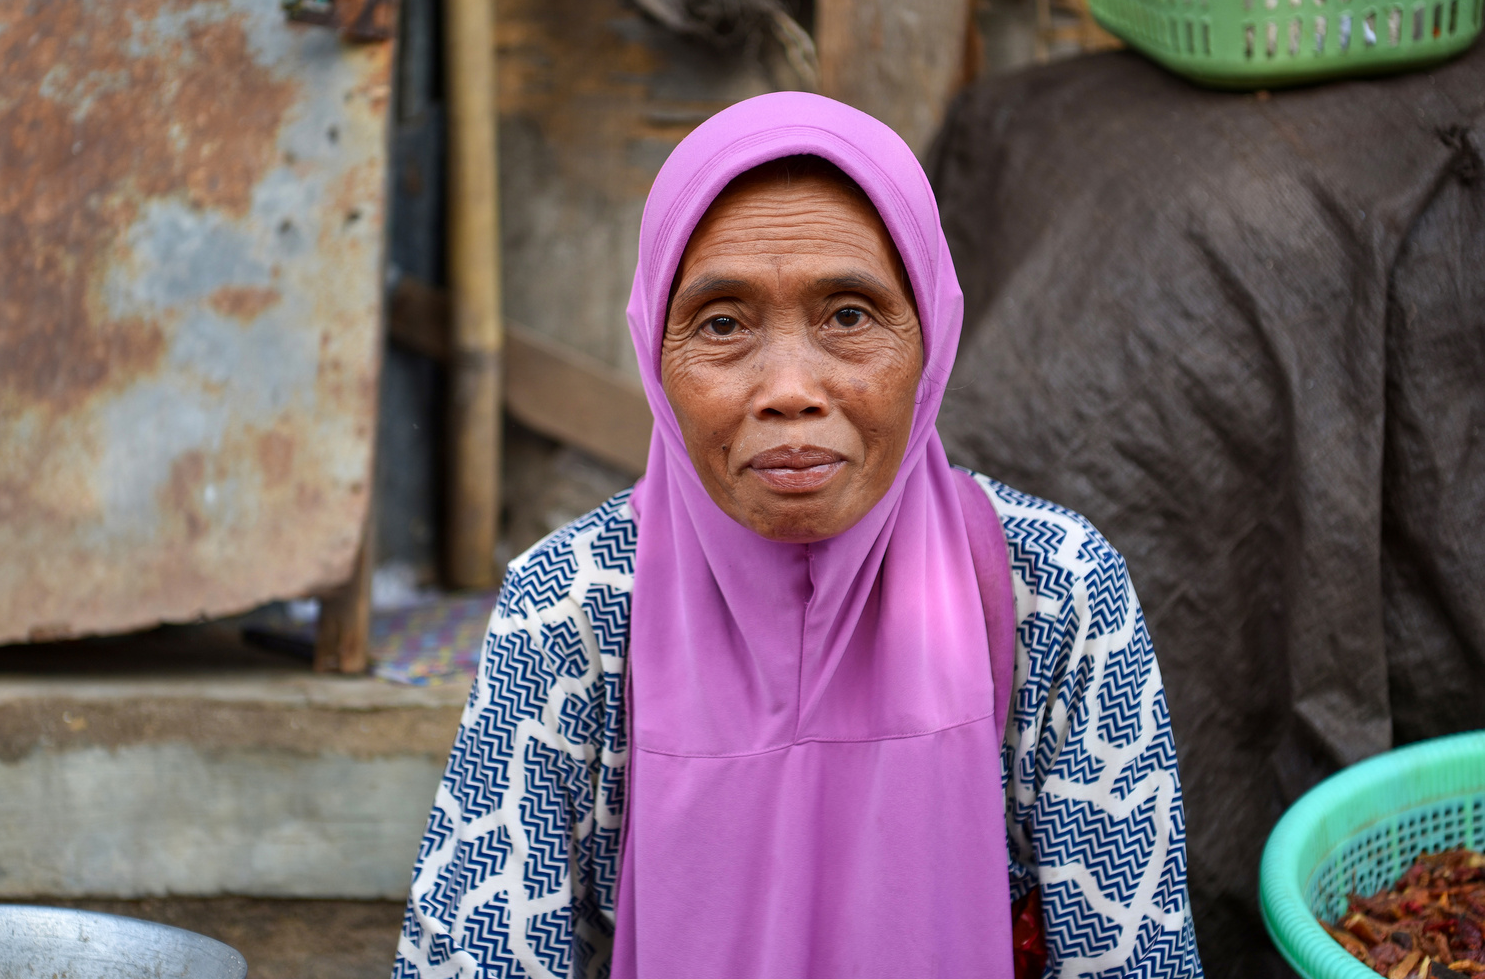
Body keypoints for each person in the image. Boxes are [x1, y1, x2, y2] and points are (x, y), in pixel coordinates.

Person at [392, 93, 1203, 978]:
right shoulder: (573, 610)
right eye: (723, 324)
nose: (789, 388)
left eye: (849, 315)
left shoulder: (1053, 588)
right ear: (653, 351)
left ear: (930, 334)